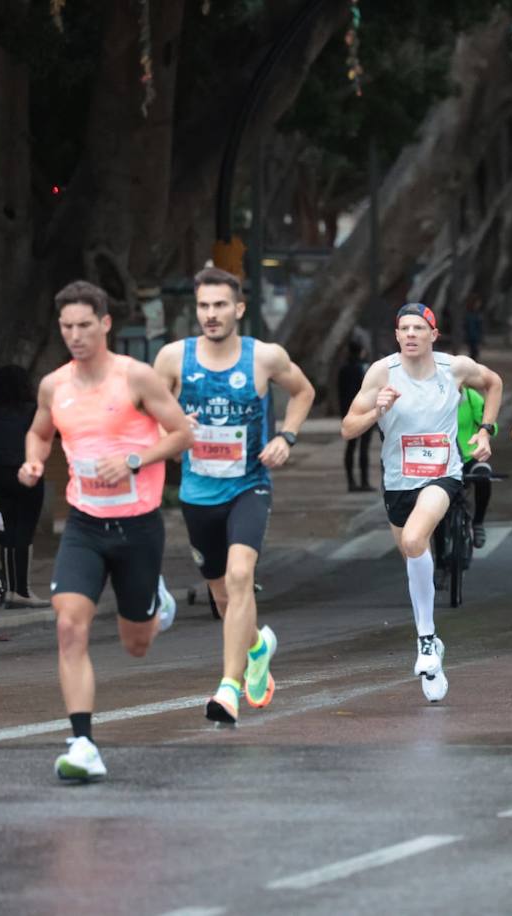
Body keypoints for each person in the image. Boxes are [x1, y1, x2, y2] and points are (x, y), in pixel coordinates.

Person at [21, 280, 193, 781]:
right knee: (69, 625)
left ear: (105, 324)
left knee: (136, 644)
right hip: (84, 524)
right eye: (66, 327)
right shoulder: (55, 386)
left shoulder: (135, 378)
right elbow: (39, 431)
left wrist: (136, 459)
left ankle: (155, 605)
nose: (74, 335)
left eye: (83, 325)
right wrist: (34, 461)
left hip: (138, 526)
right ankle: (83, 743)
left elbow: (182, 433)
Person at [154, 267, 316, 724]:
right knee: (223, 597)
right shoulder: (172, 359)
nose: (210, 314)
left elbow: (303, 391)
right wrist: (167, 432)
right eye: (203, 306)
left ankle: (228, 687)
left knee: (241, 576)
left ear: (239, 309)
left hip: (250, 484)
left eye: (220, 305)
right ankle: (258, 646)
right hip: (197, 492)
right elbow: (146, 408)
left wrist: (287, 436)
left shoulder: (263, 357)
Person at [342, 303, 503, 700]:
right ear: (396, 336)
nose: (411, 334)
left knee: (415, 540)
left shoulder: (456, 368)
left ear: (434, 334)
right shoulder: (381, 372)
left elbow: (494, 383)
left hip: (442, 474)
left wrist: (485, 432)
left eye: (419, 328)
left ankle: (427, 641)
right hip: (398, 482)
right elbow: (348, 427)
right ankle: (431, 643)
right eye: (404, 329)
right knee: (412, 555)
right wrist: (376, 410)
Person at [0, 365, 48, 608]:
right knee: (25, 530)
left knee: (10, 529)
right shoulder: (32, 410)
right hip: (26, 471)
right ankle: (23, 591)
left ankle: (11, 591)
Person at [456, 380, 494, 547]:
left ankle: (478, 522)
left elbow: (491, 425)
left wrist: (486, 430)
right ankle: (441, 562)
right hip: (443, 460)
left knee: (483, 475)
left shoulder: (471, 398)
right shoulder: (433, 399)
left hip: (470, 457)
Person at [338, 342, 374, 492]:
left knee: (351, 447)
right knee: (364, 448)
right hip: (364, 411)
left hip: (348, 412)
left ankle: (351, 481)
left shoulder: (343, 369)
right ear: (362, 352)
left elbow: (340, 392)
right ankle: (364, 481)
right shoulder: (365, 369)